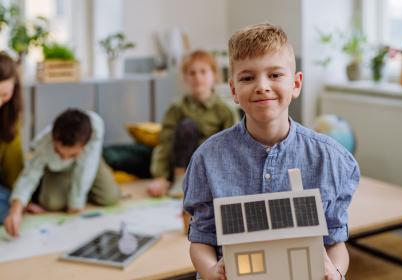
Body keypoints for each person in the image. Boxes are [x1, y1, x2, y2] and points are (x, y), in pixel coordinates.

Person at [183, 23, 360, 280]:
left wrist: (335, 272)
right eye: (247, 77)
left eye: (275, 75)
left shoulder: (330, 159)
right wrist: (211, 271)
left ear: (296, 84)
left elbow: (335, 242)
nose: (262, 86)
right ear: (233, 90)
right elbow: (201, 239)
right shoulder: (207, 159)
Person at [4, 109, 120, 237]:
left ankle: (82, 190)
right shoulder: (43, 144)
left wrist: (76, 202)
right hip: (57, 170)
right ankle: (68, 187)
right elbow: (29, 177)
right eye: (59, 153)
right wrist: (15, 212)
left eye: (72, 154)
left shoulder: (95, 130)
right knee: (52, 203)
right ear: (53, 140)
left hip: (91, 164)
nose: (65, 158)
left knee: (110, 197)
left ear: (84, 145)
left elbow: (85, 169)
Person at [147, 50, 239, 197]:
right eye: (192, 73)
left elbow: (233, 146)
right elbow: (164, 143)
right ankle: (180, 180)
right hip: (180, 164)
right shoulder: (177, 108)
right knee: (186, 126)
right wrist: (160, 177)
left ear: (214, 75)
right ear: (185, 78)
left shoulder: (225, 109)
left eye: (203, 72)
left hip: (210, 164)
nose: (198, 77)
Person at [0, 52, 24, 224]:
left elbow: (14, 164)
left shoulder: (10, 116)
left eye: (4, 95)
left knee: (7, 205)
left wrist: (20, 201)